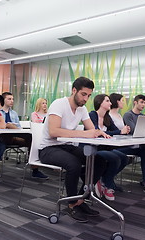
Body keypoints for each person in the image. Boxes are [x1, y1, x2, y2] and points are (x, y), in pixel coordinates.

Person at [38, 76, 108, 223]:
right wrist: (85, 133)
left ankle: (80, 200)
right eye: (83, 94)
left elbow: (91, 129)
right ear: (74, 90)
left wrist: (99, 132)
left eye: (89, 95)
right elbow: (54, 132)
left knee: (99, 160)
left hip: (66, 147)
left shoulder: (82, 109)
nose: (86, 99)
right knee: (73, 164)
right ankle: (71, 204)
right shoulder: (59, 104)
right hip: (48, 148)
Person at [89, 94, 130, 201]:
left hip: (105, 147)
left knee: (124, 158)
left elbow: (115, 131)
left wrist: (124, 131)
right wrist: (119, 131)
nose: (110, 103)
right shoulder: (92, 115)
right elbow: (97, 131)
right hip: (93, 148)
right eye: (107, 101)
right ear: (100, 103)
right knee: (115, 158)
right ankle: (108, 185)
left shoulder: (107, 117)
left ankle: (104, 179)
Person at [0, 92, 48, 179]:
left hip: (14, 136)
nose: (12, 101)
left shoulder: (14, 113)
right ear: (3, 100)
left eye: (13, 99)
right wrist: (7, 125)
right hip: (2, 136)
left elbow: (18, 127)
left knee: (32, 138)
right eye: (9, 99)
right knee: (29, 138)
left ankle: (35, 169)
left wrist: (11, 126)